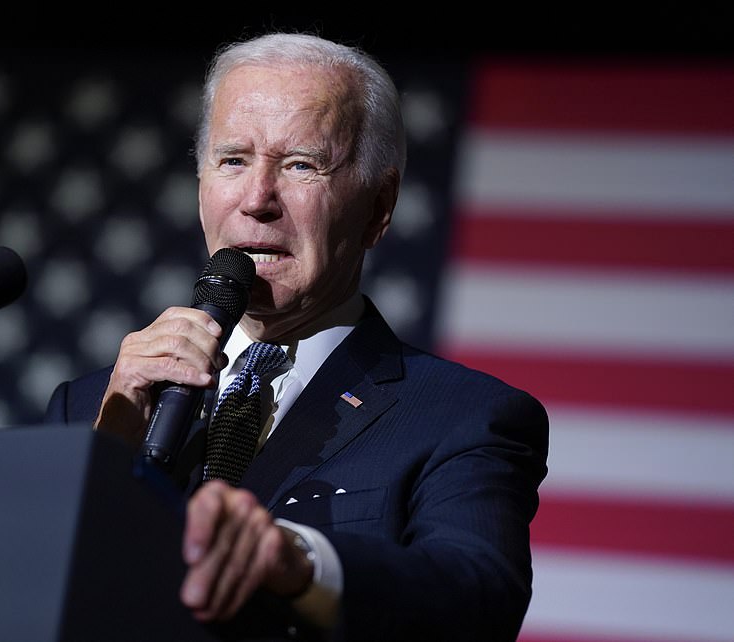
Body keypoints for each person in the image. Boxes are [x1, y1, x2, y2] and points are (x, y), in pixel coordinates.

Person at [46, 32, 548, 641]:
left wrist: (298, 561)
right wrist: (107, 456)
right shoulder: (94, 406)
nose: (256, 200)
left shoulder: (464, 417)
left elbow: (478, 601)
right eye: (233, 159)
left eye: (301, 165)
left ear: (379, 206)